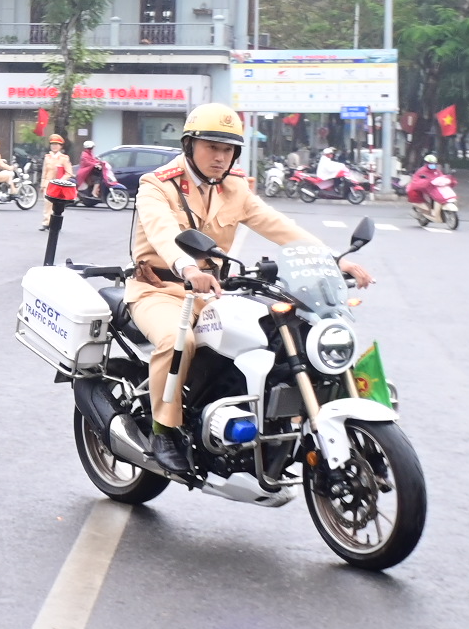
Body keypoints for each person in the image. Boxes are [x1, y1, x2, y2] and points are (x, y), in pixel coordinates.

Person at [126, 103, 375, 478]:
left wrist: (331, 260)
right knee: (176, 342)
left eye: (227, 150)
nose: (219, 157)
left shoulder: (234, 186)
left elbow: (278, 226)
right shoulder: (157, 185)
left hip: (214, 293)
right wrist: (190, 268)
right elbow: (163, 233)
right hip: (159, 290)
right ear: (190, 145)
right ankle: (165, 431)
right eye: (211, 147)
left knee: (271, 336)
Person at [39, 134, 75, 229]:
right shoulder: (47, 157)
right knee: (47, 203)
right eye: (52, 144)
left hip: (58, 185)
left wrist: (60, 181)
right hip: (48, 183)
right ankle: (46, 222)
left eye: (57, 144)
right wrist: (42, 185)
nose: (54, 146)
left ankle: (54, 224)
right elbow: (44, 171)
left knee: (56, 205)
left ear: (60, 146)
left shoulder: (64, 158)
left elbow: (69, 173)